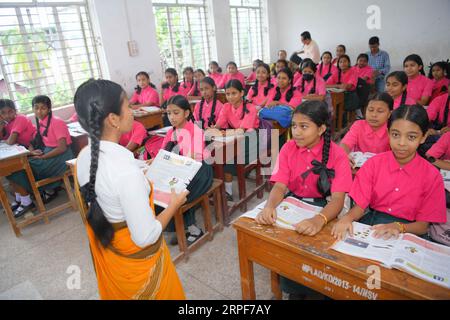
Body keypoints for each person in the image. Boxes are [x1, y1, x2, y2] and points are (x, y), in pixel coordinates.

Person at [74, 79, 186, 299]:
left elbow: (105, 190)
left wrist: (139, 172)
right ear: (113, 119)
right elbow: (146, 237)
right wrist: (173, 205)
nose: (133, 111)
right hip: (139, 262)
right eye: (127, 106)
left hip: (111, 248)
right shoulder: (125, 172)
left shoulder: (84, 156)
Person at [256, 100, 352, 299]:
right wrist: (269, 206)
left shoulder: (337, 154)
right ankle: (293, 289)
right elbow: (280, 185)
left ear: (321, 128)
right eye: (294, 126)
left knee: (318, 255)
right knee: (288, 247)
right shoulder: (288, 148)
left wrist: (319, 220)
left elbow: (337, 199)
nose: (297, 132)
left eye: (304, 126)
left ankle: (318, 290)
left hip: (324, 208)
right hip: (294, 202)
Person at [333, 105, 446, 241]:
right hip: (373, 223)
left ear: (423, 137)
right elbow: (360, 206)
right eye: (395, 135)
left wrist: (399, 227)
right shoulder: (373, 164)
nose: (401, 143)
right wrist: (347, 218)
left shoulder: (432, 176)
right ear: (388, 133)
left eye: (411, 137)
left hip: (409, 231)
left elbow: (422, 226)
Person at [7, 95, 74, 217]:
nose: (39, 111)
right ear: (32, 109)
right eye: (36, 108)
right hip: (48, 152)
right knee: (18, 165)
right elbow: (36, 140)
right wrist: (31, 151)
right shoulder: (42, 121)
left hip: (61, 157)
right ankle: (26, 197)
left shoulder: (56, 122)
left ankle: (27, 199)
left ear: (49, 109)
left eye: (43, 108)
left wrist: (43, 157)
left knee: (21, 169)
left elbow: (62, 148)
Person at [340, 93, 392, 168]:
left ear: (389, 114)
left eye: (380, 111)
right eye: (370, 110)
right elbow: (345, 144)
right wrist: (344, 155)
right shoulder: (359, 125)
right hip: (359, 168)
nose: (374, 115)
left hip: (382, 169)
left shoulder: (392, 130)